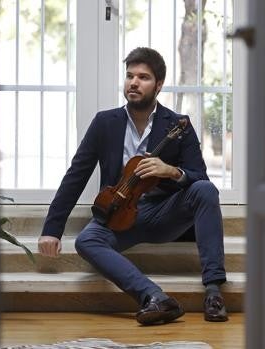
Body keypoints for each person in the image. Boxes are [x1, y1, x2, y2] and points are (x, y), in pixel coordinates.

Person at [38, 47, 228, 325]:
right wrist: (51, 230)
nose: (134, 83)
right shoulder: (105, 123)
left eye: (143, 77)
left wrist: (172, 171)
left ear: (159, 85)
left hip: (164, 213)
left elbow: (200, 177)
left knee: (205, 190)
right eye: (129, 76)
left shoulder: (178, 125)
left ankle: (213, 292)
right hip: (118, 213)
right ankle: (155, 297)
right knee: (87, 240)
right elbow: (76, 175)